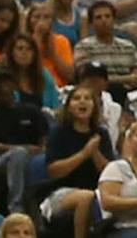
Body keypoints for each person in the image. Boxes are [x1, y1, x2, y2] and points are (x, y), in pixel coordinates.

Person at [40, 87, 114, 238]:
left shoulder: (101, 134)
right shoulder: (58, 132)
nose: (82, 102)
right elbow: (53, 171)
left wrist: (95, 153)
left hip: (96, 192)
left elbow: (109, 173)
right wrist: (83, 154)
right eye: (77, 98)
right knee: (85, 197)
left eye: (87, 98)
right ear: (68, 106)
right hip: (61, 193)